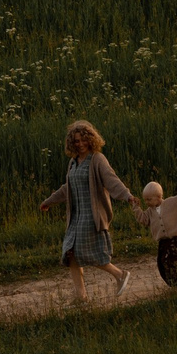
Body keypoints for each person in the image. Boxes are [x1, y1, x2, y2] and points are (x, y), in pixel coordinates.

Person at [39, 119, 135, 304]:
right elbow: (68, 187)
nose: (80, 144)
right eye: (76, 141)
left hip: (92, 215)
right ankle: (81, 296)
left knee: (87, 252)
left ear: (91, 139)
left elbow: (111, 180)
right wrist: (49, 201)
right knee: (70, 253)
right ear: (71, 143)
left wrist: (127, 196)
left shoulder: (97, 159)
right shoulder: (73, 162)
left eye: (83, 140)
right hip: (75, 216)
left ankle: (120, 274)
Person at [135, 171, 177, 286]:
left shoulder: (172, 203)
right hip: (162, 243)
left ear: (159, 197)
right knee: (162, 265)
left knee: (172, 263)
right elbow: (143, 220)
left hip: (174, 242)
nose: (146, 202)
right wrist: (136, 208)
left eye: (149, 199)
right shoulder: (149, 212)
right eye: (145, 200)